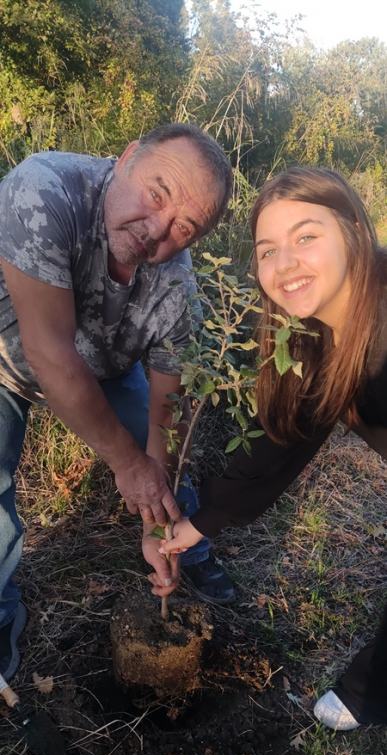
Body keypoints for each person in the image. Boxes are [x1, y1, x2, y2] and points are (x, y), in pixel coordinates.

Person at [0, 122, 236, 683]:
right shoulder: (45, 189)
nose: (157, 229)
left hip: (106, 369)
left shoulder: (178, 295)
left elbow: (168, 415)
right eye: (157, 193)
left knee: (166, 474)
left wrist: (154, 514)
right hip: (5, 359)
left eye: (185, 226)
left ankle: (186, 550)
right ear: (126, 156)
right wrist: (128, 466)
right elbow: (50, 353)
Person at [159, 166, 387, 731]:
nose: (284, 265)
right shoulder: (309, 337)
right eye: (267, 250)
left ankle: (366, 689)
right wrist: (201, 522)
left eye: (307, 237)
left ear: (355, 231)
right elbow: (283, 439)